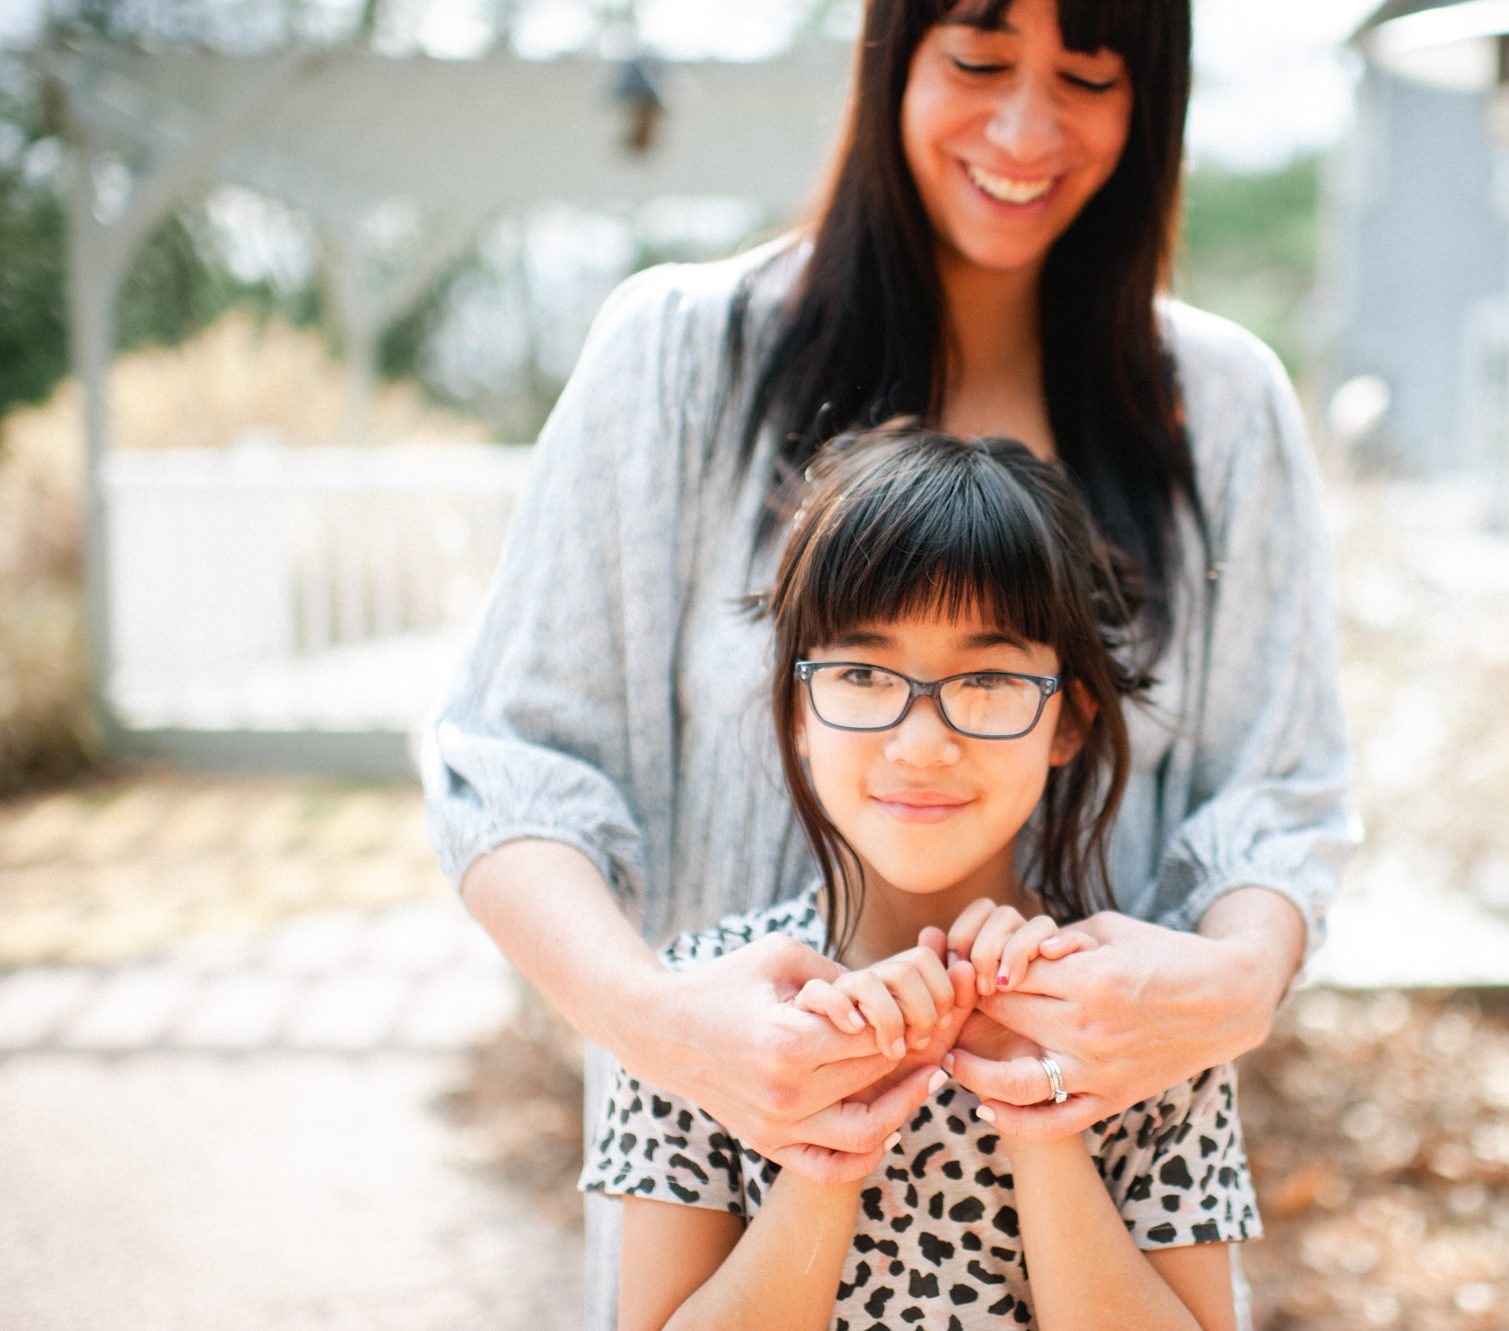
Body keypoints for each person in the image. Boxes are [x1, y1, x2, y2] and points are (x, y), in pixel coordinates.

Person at [421, 0, 1355, 1320]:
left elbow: (1281, 792)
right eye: (977, 60)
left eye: (1087, 75)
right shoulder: (682, 352)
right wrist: (662, 1023)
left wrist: (1232, 987)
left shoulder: (1225, 404)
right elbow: (514, 764)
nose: (1027, 128)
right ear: (887, 60)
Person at [585, 428, 1258, 1331]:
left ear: (1068, 722)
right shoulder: (709, 1013)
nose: (921, 744)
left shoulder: (1140, 1016)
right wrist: (838, 1127)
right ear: (796, 709)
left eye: (985, 678)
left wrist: (1038, 1113)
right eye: (862, 673)